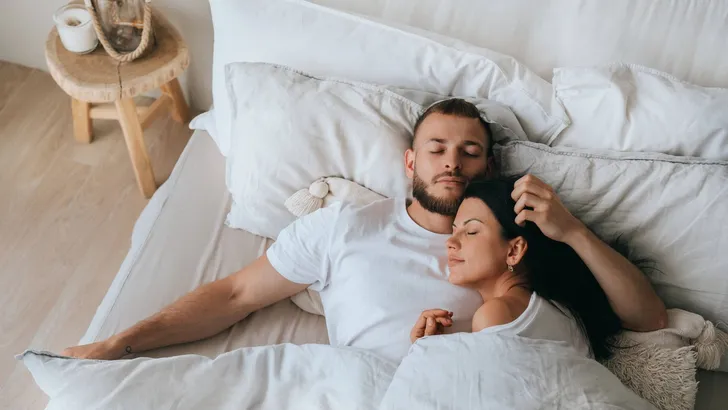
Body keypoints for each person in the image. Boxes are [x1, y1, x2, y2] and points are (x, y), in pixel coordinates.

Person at [62, 98, 667, 362]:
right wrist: (124, 341)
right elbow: (234, 296)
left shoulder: (517, 238)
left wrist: (575, 232)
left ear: (490, 167)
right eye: (436, 148)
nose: (451, 162)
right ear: (411, 161)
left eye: (470, 152)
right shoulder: (343, 227)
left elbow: (647, 321)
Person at [410, 178, 622, 360]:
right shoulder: (555, 308)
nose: (450, 242)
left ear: (514, 250)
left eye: (471, 231)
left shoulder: (496, 314)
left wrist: (427, 355)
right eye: (454, 231)